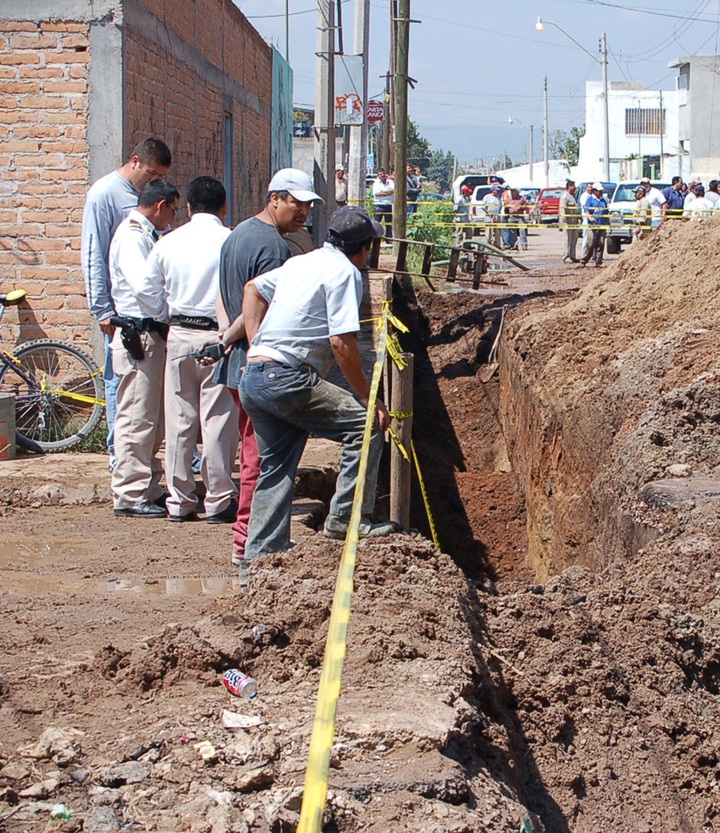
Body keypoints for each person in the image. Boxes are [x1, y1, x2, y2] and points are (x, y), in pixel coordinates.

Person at [239, 206, 399, 572]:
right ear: (363, 249)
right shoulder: (345, 273)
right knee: (366, 424)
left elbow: (253, 290)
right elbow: (342, 343)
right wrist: (366, 398)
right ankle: (347, 518)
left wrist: (255, 347)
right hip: (287, 378)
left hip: (257, 377)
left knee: (276, 467)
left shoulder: (302, 262)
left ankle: (257, 562)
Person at [215, 168, 323, 568]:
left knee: (252, 454)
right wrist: (252, 343)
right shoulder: (275, 250)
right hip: (258, 367)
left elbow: (222, 295)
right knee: (261, 457)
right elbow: (254, 302)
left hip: (238, 363)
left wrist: (227, 340)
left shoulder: (237, 235)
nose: (304, 213)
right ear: (274, 198)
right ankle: (249, 542)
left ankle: (250, 539)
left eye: (309, 205)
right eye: (297, 203)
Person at [143, 177, 239, 523]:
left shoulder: (168, 243)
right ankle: (218, 499)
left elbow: (146, 292)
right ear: (224, 206)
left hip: (179, 335)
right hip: (219, 338)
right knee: (217, 421)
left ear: (187, 208)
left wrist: (165, 314)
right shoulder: (231, 242)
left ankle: (180, 501)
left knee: (179, 422)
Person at [82, 137, 172, 472]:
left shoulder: (144, 200)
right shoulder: (105, 194)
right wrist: (102, 308)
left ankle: (139, 456)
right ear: (135, 162)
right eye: (150, 174)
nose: (153, 182)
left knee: (142, 392)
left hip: (145, 311)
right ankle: (118, 453)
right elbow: (94, 252)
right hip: (122, 312)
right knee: (119, 383)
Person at [109, 179, 180, 518]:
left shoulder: (145, 234)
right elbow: (145, 291)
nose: (173, 218)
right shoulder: (134, 237)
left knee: (151, 419)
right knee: (136, 416)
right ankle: (130, 492)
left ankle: (147, 486)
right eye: (173, 211)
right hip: (141, 335)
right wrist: (171, 309)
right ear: (160, 205)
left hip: (151, 335)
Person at [579, 182, 609, 267]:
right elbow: (587, 211)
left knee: (601, 243)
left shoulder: (603, 200)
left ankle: (598, 261)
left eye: (601, 191)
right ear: (594, 191)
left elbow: (606, 212)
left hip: (602, 225)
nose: (600, 192)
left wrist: (608, 222)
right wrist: (590, 217)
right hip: (593, 226)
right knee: (591, 243)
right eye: (599, 191)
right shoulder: (590, 200)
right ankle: (584, 261)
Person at [559, 180, 580, 263]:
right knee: (567, 239)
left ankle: (572, 255)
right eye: (574, 186)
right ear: (570, 186)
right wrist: (563, 221)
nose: (575, 188)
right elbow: (562, 209)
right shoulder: (564, 197)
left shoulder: (572, 196)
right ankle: (566, 256)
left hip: (574, 221)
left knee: (574, 239)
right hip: (567, 222)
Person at [372, 169, 394, 238]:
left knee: (389, 223)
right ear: (378, 175)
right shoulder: (376, 183)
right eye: (380, 174)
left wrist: (383, 192)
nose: (382, 175)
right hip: (379, 205)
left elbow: (394, 190)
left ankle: (388, 238)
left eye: (383, 174)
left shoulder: (390, 182)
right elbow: (377, 194)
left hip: (388, 205)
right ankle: (375, 237)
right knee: (377, 222)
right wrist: (388, 192)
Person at [481, 184, 503, 249]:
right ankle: (488, 245)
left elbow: (500, 207)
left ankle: (497, 245)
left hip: (497, 218)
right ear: (493, 190)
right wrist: (488, 212)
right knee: (489, 232)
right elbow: (483, 207)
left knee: (497, 232)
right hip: (489, 218)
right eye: (496, 190)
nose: (497, 192)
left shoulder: (498, 198)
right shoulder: (487, 197)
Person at [578, 182, 594, 261]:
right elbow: (586, 208)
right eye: (589, 187)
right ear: (586, 188)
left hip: (593, 220)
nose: (590, 189)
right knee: (586, 238)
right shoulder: (584, 196)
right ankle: (583, 255)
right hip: (586, 219)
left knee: (593, 239)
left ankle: (593, 256)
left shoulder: (593, 196)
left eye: (592, 187)